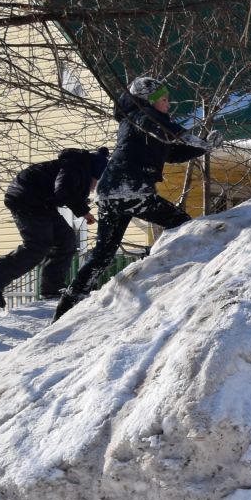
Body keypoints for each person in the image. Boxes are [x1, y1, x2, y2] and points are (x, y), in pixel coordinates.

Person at [55, 76, 207, 320]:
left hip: (112, 192)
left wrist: (203, 147)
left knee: (103, 254)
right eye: (164, 100)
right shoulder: (138, 116)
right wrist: (189, 136)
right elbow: (160, 126)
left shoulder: (151, 127)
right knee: (182, 223)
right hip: (129, 188)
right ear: (148, 100)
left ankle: (68, 305)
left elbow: (172, 154)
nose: (168, 105)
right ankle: (169, 272)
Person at [0, 147, 108, 308]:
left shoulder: (78, 167)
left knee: (66, 240)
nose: (94, 188)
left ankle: (52, 289)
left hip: (43, 203)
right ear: (93, 174)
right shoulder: (74, 168)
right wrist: (83, 211)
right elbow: (63, 191)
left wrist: (80, 204)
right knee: (38, 245)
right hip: (26, 200)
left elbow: (64, 192)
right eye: (96, 182)